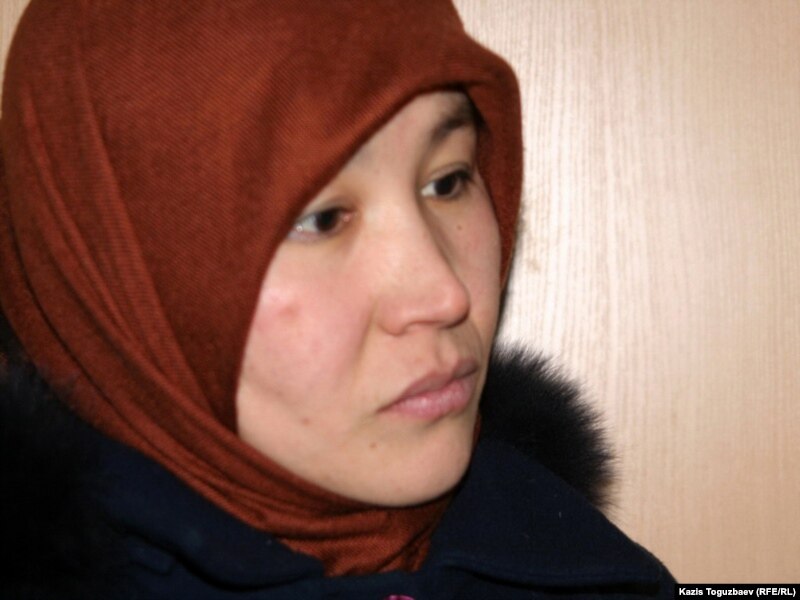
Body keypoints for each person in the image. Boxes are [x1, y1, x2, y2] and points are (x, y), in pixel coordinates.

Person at [0, 1, 675, 598]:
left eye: (447, 182)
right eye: (321, 218)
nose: (444, 294)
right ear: (117, 275)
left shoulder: (592, 570)